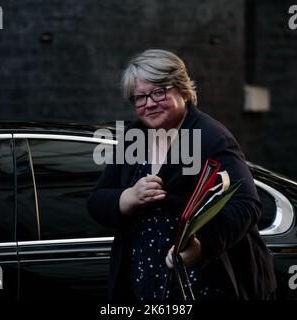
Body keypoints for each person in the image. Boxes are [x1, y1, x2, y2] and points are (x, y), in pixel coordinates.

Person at [87, 49, 276, 301]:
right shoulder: (135, 135)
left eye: (158, 92)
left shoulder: (211, 137)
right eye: (139, 98)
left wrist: (202, 247)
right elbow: (96, 200)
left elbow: (247, 205)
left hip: (203, 283)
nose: (149, 103)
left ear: (183, 90)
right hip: (147, 283)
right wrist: (127, 198)